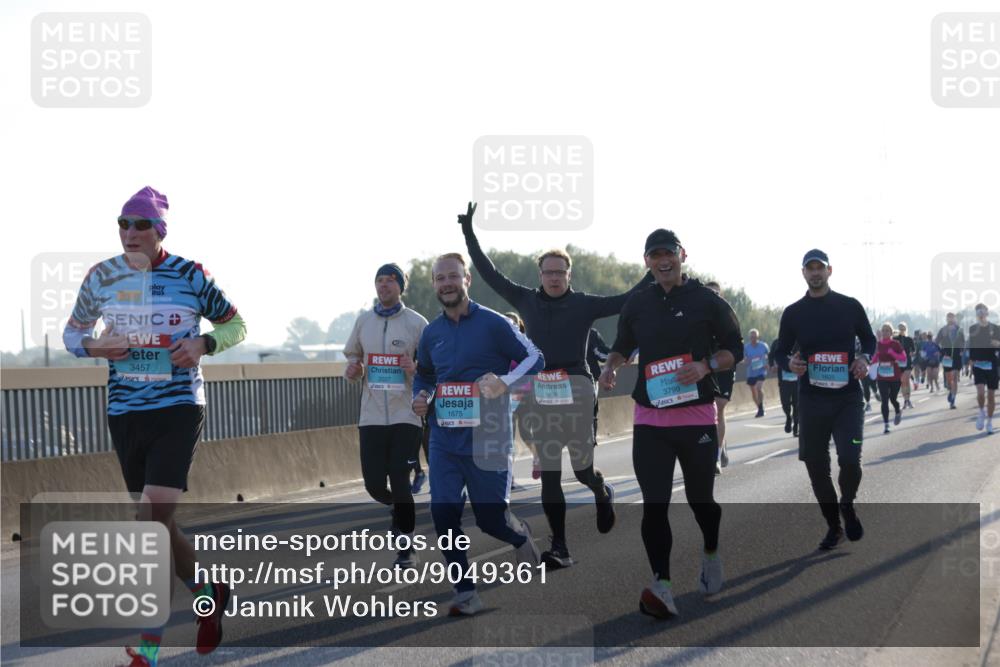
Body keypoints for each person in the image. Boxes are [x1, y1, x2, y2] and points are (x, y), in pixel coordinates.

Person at [62, 187, 247, 667]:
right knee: (160, 524)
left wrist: (205, 345)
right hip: (125, 411)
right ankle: (209, 596)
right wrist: (95, 348)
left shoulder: (190, 274)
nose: (129, 232)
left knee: (148, 524)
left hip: (179, 407)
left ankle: (148, 641)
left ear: (159, 230)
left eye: (140, 224)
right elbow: (72, 334)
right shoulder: (101, 277)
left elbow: (236, 324)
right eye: (122, 223)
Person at [459, 202, 652, 568]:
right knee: (549, 470)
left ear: (568, 274)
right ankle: (560, 547)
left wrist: (650, 269)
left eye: (559, 272)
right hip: (540, 389)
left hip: (577, 384)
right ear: (540, 274)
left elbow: (627, 299)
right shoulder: (525, 299)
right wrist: (470, 234)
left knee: (581, 470)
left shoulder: (583, 304)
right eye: (547, 272)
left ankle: (600, 489)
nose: (553, 277)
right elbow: (489, 273)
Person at [600, 229, 743, 619]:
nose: (663, 261)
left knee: (702, 503)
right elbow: (622, 345)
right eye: (655, 255)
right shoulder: (638, 302)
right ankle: (662, 585)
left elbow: (736, 349)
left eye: (669, 254)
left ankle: (711, 551)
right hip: (650, 418)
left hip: (696, 415)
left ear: (682, 255)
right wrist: (611, 367)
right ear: (646, 261)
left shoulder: (707, 301)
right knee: (654, 506)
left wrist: (705, 365)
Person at [411, 252, 544, 616]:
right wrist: (419, 396)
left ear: (466, 279)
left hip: (488, 436)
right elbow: (423, 374)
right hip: (444, 436)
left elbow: (536, 359)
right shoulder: (431, 333)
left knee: (490, 518)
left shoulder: (494, 323)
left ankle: (519, 535)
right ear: (434, 285)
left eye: (453, 276)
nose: (446, 284)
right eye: (440, 279)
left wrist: (504, 382)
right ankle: (466, 593)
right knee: (443, 512)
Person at [774, 249, 876, 551]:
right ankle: (834, 526)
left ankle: (847, 504)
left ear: (830, 271)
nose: (815, 273)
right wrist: (788, 364)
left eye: (820, 268)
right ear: (803, 273)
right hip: (812, 401)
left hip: (847, 400)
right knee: (816, 467)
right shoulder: (794, 313)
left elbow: (869, 340)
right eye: (810, 269)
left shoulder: (849, 306)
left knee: (849, 458)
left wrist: (864, 359)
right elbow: (779, 351)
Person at [343, 263, 428, 569]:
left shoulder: (417, 323)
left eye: (391, 281)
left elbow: (431, 368)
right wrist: (353, 370)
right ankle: (398, 508)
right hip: (371, 416)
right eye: (380, 281)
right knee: (375, 486)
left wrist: (413, 368)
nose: (384, 285)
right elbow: (353, 356)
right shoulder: (364, 321)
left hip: (407, 414)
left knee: (400, 481)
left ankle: (406, 547)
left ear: (400, 287)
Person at [705, 281, 735, 472]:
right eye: (709, 293)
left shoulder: (728, 316)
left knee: (718, 407)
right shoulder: (697, 317)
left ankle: (715, 455)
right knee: (707, 412)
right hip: (704, 368)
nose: (713, 296)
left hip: (724, 368)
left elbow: (736, 347)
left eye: (716, 293)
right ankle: (719, 445)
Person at [968, 303, 1000, 434]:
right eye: (978, 312)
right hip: (979, 364)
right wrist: (970, 362)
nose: (981, 314)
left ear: (987, 312)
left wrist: (997, 343)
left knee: (991, 396)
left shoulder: (996, 328)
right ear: (976, 314)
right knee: (981, 392)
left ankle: (990, 422)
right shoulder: (972, 329)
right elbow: (972, 345)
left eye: (983, 311)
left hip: (992, 363)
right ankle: (981, 412)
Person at [872, 323, 906, 434]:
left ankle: (897, 410)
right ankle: (886, 425)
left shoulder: (895, 344)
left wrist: (892, 353)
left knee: (893, 398)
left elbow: (903, 358)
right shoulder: (878, 344)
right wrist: (872, 361)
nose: (885, 332)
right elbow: (875, 357)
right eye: (883, 330)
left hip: (894, 375)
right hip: (882, 376)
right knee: (884, 400)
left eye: (887, 330)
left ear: (891, 333)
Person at [587, 327, 611, 448]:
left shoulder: (555, 329)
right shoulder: (589, 332)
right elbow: (601, 354)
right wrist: (618, 355)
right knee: (590, 413)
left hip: (560, 378)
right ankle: (591, 441)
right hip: (587, 378)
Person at [771, 337, 799, 436]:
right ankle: (788, 416)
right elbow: (771, 355)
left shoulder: (799, 340)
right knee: (785, 402)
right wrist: (772, 366)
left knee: (797, 405)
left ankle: (796, 427)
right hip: (784, 380)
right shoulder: (777, 342)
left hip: (797, 380)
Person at [936, 313, 966, 410]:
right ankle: (950, 391)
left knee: (955, 377)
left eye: (952, 318)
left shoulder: (959, 329)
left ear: (954, 319)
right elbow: (936, 342)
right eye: (948, 318)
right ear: (946, 319)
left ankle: (952, 400)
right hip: (947, 356)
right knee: (949, 380)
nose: (950, 319)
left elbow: (963, 342)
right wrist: (941, 351)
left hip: (957, 356)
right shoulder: (943, 330)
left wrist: (962, 350)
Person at [744, 329, 769, 417]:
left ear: (757, 337)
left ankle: (761, 408)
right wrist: (746, 361)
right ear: (749, 338)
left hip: (761, 371)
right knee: (754, 393)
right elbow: (744, 359)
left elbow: (769, 355)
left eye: (754, 337)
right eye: (751, 337)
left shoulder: (763, 345)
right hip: (751, 372)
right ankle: (760, 408)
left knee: (759, 387)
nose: (753, 338)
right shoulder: (746, 347)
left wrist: (767, 363)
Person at [894, 323, 916, 409]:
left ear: (906, 329)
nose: (901, 330)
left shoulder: (909, 339)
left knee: (906, 379)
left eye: (903, 328)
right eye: (900, 328)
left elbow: (914, 350)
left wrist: (911, 353)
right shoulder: (895, 339)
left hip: (907, 362)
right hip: (899, 363)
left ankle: (908, 400)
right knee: (903, 382)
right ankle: (905, 400)